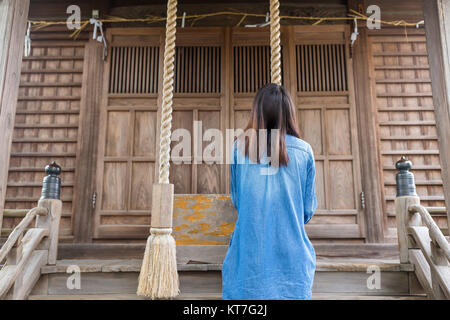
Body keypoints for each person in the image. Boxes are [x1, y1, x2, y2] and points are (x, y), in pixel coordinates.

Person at [222, 83, 317, 300]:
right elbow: (307, 210)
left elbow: (237, 200)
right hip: (293, 268)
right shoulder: (304, 152)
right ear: (290, 114)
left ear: (257, 113)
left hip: (248, 263)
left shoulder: (239, 149)